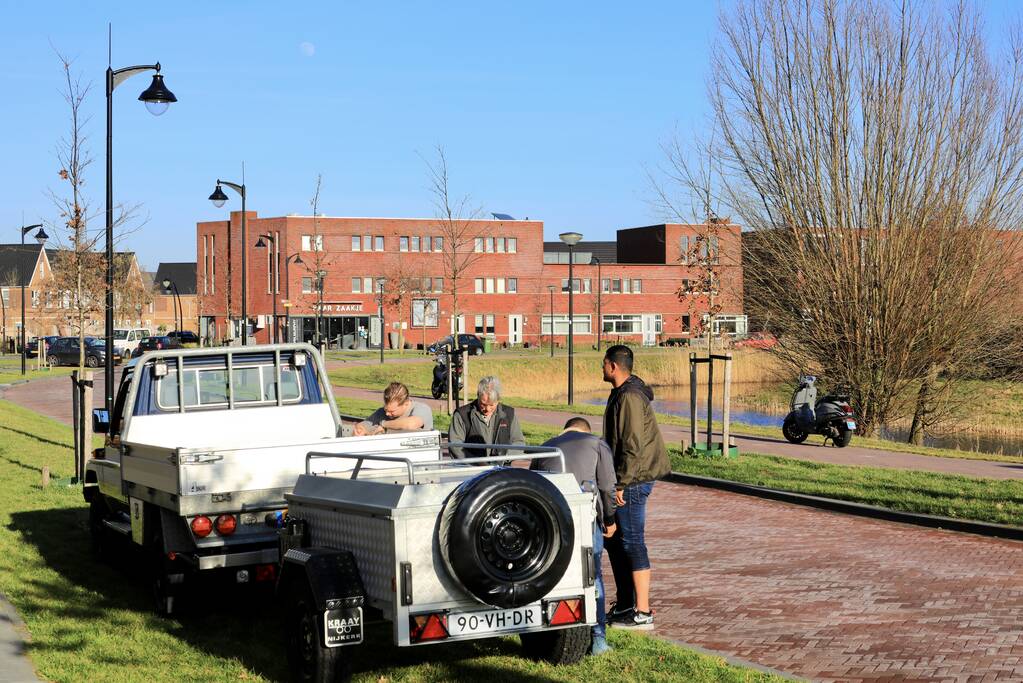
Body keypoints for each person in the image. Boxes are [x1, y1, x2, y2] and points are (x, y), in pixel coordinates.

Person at [532, 417, 617, 655]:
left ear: (565, 429)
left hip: (553, 521)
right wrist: (609, 519)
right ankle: (598, 639)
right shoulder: (597, 444)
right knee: (593, 575)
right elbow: (608, 486)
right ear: (585, 430)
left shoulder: (545, 446)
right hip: (586, 518)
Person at [601, 344, 670, 629]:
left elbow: (632, 444)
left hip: (634, 479)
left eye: (603, 363)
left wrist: (621, 483)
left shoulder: (629, 396)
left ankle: (642, 612)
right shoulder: (623, 392)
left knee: (631, 542)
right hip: (628, 477)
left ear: (613, 366)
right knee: (615, 541)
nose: (601, 368)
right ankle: (627, 604)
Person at [447, 376, 525, 458]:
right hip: (470, 468)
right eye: (483, 404)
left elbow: (518, 442)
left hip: (501, 468)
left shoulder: (509, 414)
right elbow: (455, 446)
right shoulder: (462, 415)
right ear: (478, 395)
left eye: (491, 405)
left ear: (498, 400)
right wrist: (476, 462)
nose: (487, 409)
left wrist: (504, 457)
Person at [353, 382, 433, 435]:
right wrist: (360, 431)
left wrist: (384, 425)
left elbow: (411, 424)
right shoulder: (381, 412)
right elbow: (362, 426)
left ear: (406, 403)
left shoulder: (422, 408)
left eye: (392, 411)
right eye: (386, 409)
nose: (387, 414)